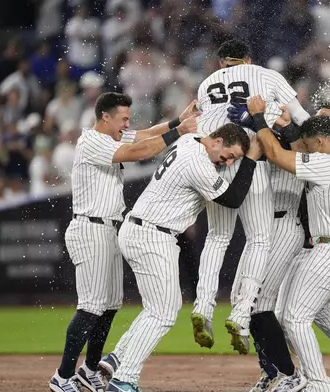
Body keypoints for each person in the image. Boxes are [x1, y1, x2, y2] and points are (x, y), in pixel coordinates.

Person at [48, 93, 199, 392]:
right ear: (105, 116)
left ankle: (89, 370)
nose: (127, 124)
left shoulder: (113, 135)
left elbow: (143, 135)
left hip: (109, 229)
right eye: (123, 119)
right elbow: (139, 151)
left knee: (110, 306)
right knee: (91, 306)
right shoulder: (91, 141)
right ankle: (62, 377)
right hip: (90, 227)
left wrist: (175, 122)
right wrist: (179, 132)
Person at [98, 124, 261, 392]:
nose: (228, 162)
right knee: (163, 313)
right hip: (152, 234)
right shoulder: (198, 161)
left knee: (158, 309)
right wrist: (252, 159)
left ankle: (116, 360)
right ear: (217, 140)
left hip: (142, 228)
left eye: (234, 160)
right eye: (229, 154)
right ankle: (124, 379)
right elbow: (232, 199)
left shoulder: (190, 140)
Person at [239, 102, 330, 392]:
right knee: (324, 313)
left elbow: (276, 154)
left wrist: (259, 117)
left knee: (294, 318)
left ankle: (318, 382)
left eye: (312, 143)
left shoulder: (324, 163)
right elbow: (302, 143)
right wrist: (288, 128)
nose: (308, 148)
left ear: (323, 139)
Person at [192, 38, 310, 354]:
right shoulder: (268, 75)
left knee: (217, 237)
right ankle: (241, 313)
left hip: (213, 162)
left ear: (221, 63)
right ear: (248, 58)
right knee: (259, 239)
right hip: (250, 157)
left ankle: (203, 306)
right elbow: (302, 120)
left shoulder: (206, 84)